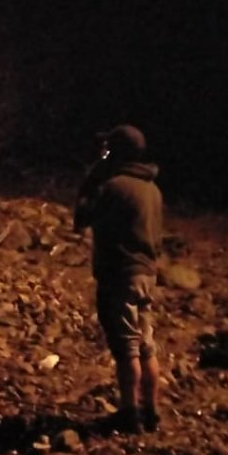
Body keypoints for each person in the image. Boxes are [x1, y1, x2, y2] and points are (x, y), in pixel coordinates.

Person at [74, 124, 164, 435]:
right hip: (146, 275)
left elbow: (82, 217)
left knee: (127, 349)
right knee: (146, 345)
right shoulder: (152, 189)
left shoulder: (114, 186)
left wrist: (95, 173)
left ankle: (129, 413)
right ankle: (150, 412)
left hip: (120, 275)